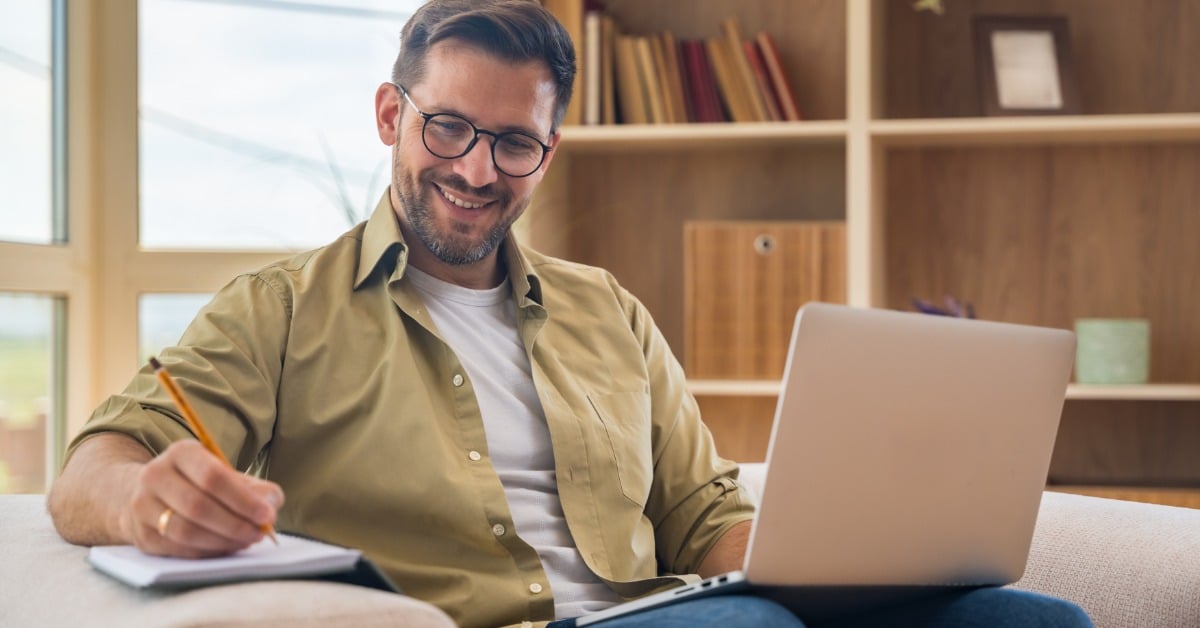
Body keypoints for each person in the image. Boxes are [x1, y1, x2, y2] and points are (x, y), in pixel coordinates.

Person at [48, 2, 1092, 627]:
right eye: (448, 128)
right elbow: (89, 468)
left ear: (548, 152)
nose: (475, 169)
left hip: (679, 608)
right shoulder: (277, 311)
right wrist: (142, 494)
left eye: (514, 144)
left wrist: (850, 548)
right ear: (388, 114)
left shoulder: (610, 313)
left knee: (1035, 621)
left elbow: (702, 523)